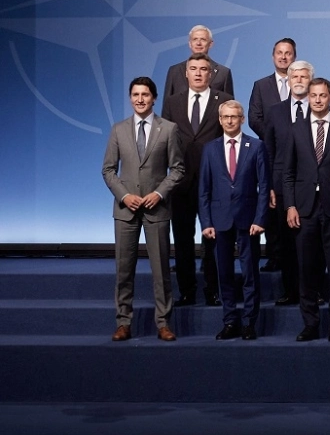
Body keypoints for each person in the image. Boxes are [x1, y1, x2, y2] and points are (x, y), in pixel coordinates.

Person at [101, 77, 185, 342]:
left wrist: (159, 193)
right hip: (125, 211)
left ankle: (163, 323)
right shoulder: (118, 130)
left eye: (145, 95)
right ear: (130, 98)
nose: (140, 99)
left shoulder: (168, 129)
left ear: (154, 98)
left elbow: (178, 169)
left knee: (161, 271)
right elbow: (108, 170)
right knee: (124, 270)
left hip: (156, 210)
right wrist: (124, 196)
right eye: (136, 95)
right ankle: (123, 322)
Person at [282, 78, 330, 342]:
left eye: (322, 95)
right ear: (308, 98)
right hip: (304, 210)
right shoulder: (295, 129)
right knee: (306, 269)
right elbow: (288, 173)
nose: (317, 100)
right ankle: (310, 324)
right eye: (313, 95)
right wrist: (290, 205)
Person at [161, 52, 231, 306]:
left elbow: (229, 140)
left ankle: (212, 290)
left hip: (213, 182)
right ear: (186, 73)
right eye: (194, 69)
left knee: (213, 239)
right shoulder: (172, 102)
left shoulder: (224, 100)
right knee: (182, 239)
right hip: (181, 182)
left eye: (203, 69)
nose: (199, 73)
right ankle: (187, 291)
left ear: (211, 73)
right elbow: (164, 139)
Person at [198, 100, 268, 341]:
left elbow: (264, 186)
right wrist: (206, 222)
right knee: (224, 274)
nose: (230, 120)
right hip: (219, 221)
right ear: (220, 120)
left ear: (242, 119)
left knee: (250, 274)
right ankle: (229, 321)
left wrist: (260, 219)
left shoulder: (256, 146)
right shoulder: (210, 149)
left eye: (234, 116)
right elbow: (204, 189)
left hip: (249, 221)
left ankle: (249, 322)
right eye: (226, 117)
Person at [262, 59, 313, 306]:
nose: (299, 80)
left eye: (304, 76)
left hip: (313, 185)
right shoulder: (275, 112)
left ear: (310, 80)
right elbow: (269, 151)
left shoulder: (321, 108)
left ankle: (313, 290)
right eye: (295, 77)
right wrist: (270, 186)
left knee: (313, 243)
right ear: (289, 80)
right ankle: (291, 291)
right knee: (287, 241)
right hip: (282, 185)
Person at [247, 38, 296, 272]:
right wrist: (275, 133)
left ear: (294, 57)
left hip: (301, 152)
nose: (283, 57)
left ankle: (297, 255)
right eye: (279, 53)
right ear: (273, 56)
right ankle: (275, 256)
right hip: (270, 151)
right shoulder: (261, 85)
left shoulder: (302, 82)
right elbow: (254, 117)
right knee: (272, 203)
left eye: (288, 53)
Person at [163, 25, 234, 97]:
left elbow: (230, 102)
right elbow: (167, 102)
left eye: (203, 39)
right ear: (190, 44)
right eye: (195, 39)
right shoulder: (175, 71)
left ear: (210, 44)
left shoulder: (223, 73)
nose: (198, 43)